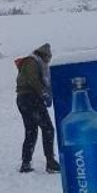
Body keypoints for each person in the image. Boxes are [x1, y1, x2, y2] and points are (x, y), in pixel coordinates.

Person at [15, 43, 59, 173]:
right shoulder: (33, 61)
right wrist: (43, 93)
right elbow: (33, 79)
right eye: (48, 58)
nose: (48, 61)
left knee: (31, 131)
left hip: (24, 99)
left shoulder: (34, 61)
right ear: (44, 55)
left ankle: (26, 163)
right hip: (30, 98)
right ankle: (50, 162)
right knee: (48, 129)